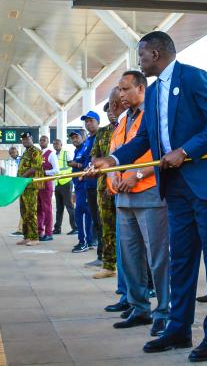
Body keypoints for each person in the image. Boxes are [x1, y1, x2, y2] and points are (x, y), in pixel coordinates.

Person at [105, 31, 207, 362]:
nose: (139, 62)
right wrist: (114, 160)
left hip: (206, 183)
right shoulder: (152, 94)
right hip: (174, 187)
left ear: (156, 53)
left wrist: (186, 151)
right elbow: (146, 138)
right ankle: (179, 329)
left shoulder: (193, 78)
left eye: (142, 55)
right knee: (181, 259)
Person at [95, 70, 171, 337]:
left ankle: (164, 311)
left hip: (148, 193)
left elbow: (160, 152)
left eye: (126, 89)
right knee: (130, 257)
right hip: (123, 197)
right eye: (120, 90)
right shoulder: (124, 119)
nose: (121, 95)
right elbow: (118, 154)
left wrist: (137, 174)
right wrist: (113, 174)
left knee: (158, 257)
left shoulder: (155, 115)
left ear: (141, 89)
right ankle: (139, 308)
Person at [90, 92, 125, 279]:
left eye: (114, 107)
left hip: (124, 184)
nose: (111, 112)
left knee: (128, 230)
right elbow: (94, 155)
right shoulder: (102, 132)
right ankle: (109, 265)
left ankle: (126, 268)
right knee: (107, 227)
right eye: (108, 109)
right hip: (104, 186)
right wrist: (98, 164)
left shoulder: (126, 127)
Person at [69, 129, 94, 253]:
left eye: (76, 137)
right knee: (87, 213)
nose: (74, 140)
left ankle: (83, 242)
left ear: (84, 136)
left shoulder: (85, 148)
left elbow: (87, 166)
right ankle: (88, 241)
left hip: (84, 185)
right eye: (72, 138)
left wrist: (76, 165)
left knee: (80, 213)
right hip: (78, 187)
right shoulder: (77, 150)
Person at [17, 132, 44, 247]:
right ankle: (26, 236)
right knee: (24, 212)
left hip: (31, 186)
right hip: (23, 186)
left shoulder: (35, 151)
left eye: (26, 139)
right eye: (23, 140)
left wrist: (22, 177)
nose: (25, 141)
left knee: (31, 212)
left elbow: (35, 167)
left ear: (31, 139)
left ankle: (34, 237)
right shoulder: (25, 152)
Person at [82, 111, 103, 258]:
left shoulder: (102, 137)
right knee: (95, 221)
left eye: (91, 121)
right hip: (88, 185)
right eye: (86, 121)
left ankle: (103, 256)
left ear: (97, 122)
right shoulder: (89, 140)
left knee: (102, 222)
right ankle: (100, 254)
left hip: (99, 184)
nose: (88, 123)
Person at [52, 138, 77, 235]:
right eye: (54, 144)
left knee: (69, 206)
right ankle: (57, 228)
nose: (55, 145)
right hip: (58, 184)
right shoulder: (53, 155)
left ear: (61, 144)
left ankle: (75, 227)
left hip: (66, 183)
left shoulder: (66, 153)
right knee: (59, 208)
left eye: (57, 143)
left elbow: (72, 165)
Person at [37, 135, 58, 242]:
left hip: (46, 183)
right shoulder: (38, 153)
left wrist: (44, 173)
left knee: (47, 208)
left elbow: (56, 170)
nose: (42, 141)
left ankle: (49, 233)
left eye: (44, 140)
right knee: (39, 208)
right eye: (40, 140)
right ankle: (40, 231)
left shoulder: (51, 154)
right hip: (38, 183)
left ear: (48, 142)